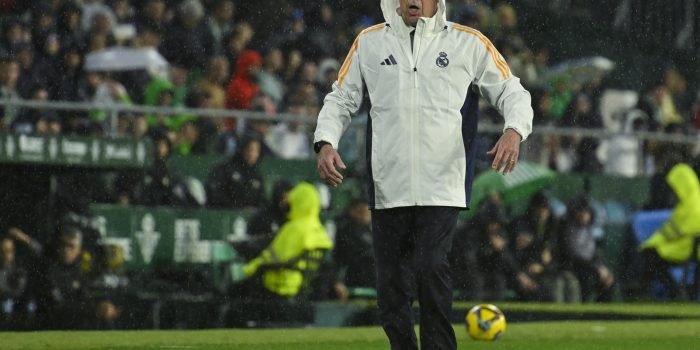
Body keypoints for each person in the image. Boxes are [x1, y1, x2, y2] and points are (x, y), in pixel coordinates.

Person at [313, 1, 533, 349]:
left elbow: (512, 91)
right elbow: (341, 98)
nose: (413, 1)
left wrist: (514, 130)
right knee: (390, 288)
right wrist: (325, 142)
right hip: (388, 184)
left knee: (430, 267)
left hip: (442, 183)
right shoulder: (369, 42)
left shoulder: (469, 43)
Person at [241, 182, 333, 299]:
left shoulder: (293, 228)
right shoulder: (319, 229)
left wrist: (251, 267)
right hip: (304, 290)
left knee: (236, 290)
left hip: (279, 287)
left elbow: (276, 258)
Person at [640, 163, 700, 300]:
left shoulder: (691, 208)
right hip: (686, 246)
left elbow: (674, 231)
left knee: (651, 254)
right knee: (650, 252)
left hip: (688, 248)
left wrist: (654, 241)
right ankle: (675, 292)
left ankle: (674, 292)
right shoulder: (690, 203)